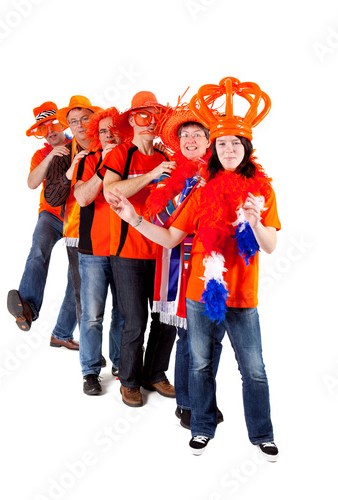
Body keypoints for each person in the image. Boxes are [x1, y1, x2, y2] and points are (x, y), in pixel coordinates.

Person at [107, 77, 281, 461]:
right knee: (200, 363)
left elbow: (270, 245)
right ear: (215, 150)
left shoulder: (262, 191)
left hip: (243, 295)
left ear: (246, 148)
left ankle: (262, 435)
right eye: (223, 143)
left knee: (253, 369)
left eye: (235, 143)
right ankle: (201, 427)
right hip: (199, 292)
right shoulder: (201, 191)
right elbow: (169, 237)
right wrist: (134, 217)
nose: (229, 148)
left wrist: (254, 221)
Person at [146, 105, 223, 429]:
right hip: (182, 263)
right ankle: (187, 404)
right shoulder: (171, 174)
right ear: (178, 142)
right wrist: (189, 191)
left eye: (197, 135)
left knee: (215, 338)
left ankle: (204, 398)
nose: (191, 140)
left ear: (209, 141)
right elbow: (157, 219)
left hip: (218, 265)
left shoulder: (224, 171)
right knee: (189, 337)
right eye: (185, 135)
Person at [102, 91, 177, 408]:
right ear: (132, 119)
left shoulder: (166, 158)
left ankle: (154, 373)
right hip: (128, 254)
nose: (150, 122)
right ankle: (130, 382)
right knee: (134, 321)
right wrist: (149, 177)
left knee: (167, 321)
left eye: (155, 115)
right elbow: (110, 192)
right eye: (143, 115)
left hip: (164, 252)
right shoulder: (120, 155)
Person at [7, 101, 79, 350]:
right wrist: (51, 155)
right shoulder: (41, 154)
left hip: (76, 217)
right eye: (43, 129)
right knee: (38, 251)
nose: (49, 131)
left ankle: (62, 333)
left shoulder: (78, 144)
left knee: (77, 277)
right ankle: (26, 309)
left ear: (63, 123)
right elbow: (31, 182)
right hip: (50, 215)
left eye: (53, 125)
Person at [72, 107, 124, 395]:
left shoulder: (130, 158)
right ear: (97, 134)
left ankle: (119, 364)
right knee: (92, 314)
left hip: (125, 249)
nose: (109, 134)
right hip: (92, 250)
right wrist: (106, 165)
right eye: (103, 130)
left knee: (124, 313)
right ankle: (90, 371)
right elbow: (82, 197)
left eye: (114, 129)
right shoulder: (88, 161)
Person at [44, 96, 102, 328]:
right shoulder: (63, 153)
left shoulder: (109, 146)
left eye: (85, 119)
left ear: (94, 120)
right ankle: (89, 358)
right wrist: (70, 172)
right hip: (77, 233)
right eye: (74, 121)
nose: (79, 125)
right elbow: (52, 197)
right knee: (85, 299)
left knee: (120, 297)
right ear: (69, 125)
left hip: (113, 229)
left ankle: (120, 360)